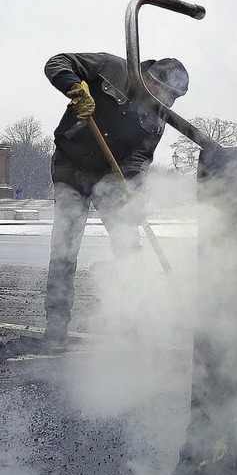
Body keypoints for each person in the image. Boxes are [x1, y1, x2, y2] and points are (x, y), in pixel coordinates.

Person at [42, 52, 189, 342]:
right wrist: (73, 85)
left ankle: (129, 318)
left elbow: (139, 158)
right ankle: (56, 323)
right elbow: (57, 62)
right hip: (72, 166)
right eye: (164, 93)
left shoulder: (156, 118)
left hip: (110, 176)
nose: (165, 102)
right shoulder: (112, 68)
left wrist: (133, 193)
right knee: (66, 246)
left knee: (128, 245)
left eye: (172, 99)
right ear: (149, 78)